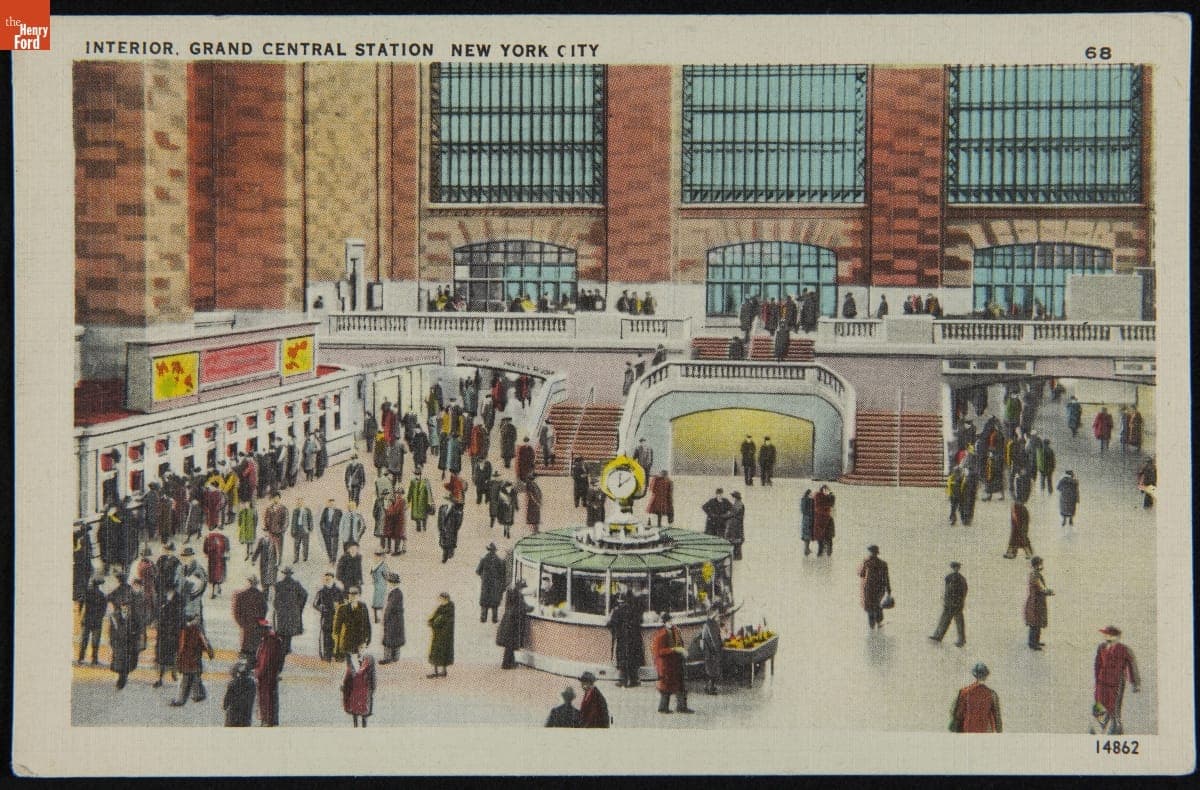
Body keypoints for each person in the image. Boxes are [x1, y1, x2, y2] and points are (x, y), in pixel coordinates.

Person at [1093, 626, 1140, 734]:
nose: (1105, 636)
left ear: (1116, 637)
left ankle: (1116, 728)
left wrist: (1135, 683)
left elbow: (1132, 666)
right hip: (1102, 682)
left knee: (1114, 707)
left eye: (1108, 634)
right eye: (1105, 634)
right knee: (1099, 704)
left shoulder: (1124, 649)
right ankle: (1101, 724)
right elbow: (1097, 664)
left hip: (1116, 682)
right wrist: (1096, 680)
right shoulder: (1101, 647)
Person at [652, 612, 693, 713]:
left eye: (671, 620)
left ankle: (681, 707)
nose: (671, 623)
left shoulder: (675, 631)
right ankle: (663, 708)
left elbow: (680, 644)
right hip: (666, 665)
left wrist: (681, 650)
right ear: (664, 623)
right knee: (666, 688)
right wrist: (674, 649)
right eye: (668, 621)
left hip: (676, 663)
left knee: (680, 685)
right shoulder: (661, 635)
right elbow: (658, 652)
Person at [170, 613, 214, 706]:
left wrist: (177, 658)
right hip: (194, 659)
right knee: (195, 678)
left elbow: (180, 646)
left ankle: (180, 699)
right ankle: (196, 694)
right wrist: (210, 653)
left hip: (186, 660)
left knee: (185, 681)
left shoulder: (184, 630)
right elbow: (204, 643)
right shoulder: (197, 630)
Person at [950, 663, 1002, 733]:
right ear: (986, 676)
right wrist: (999, 732)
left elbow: (958, 715)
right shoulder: (992, 694)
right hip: (986, 733)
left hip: (968, 732)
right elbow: (997, 717)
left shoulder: (964, 692)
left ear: (974, 675)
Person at [254, 618, 285, 726]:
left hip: (266, 676)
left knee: (265, 699)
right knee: (272, 698)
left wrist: (258, 673)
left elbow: (264, 661)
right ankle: (271, 720)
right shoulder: (274, 640)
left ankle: (266, 720)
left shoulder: (268, 642)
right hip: (272, 674)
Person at [929, 561, 967, 647]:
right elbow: (947, 591)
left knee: (958, 622)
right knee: (945, 620)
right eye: (954, 567)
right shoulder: (949, 577)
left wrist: (960, 602)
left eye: (957, 567)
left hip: (956, 604)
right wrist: (946, 600)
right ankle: (938, 636)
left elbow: (964, 592)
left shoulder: (961, 579)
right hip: (949, 603)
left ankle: (961, 640)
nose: (956, 569)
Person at [108, 598, 144, 690]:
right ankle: (121, 679)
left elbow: (140, 630)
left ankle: (122, 680)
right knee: (120, 663)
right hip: (119, 643)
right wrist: (112, 642)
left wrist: (138, 642)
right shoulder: (115, 616)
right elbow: (111, 631)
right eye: (123, 606)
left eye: (127, 607)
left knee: (126, 664)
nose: (125, 608)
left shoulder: (135, 617)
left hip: (130, 644)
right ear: (121, 607)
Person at [273, 567, 307, 656]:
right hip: (292, 611)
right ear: (291, 574)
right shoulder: (296, 584)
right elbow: (304, 594)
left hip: (282, 611)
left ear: (284, 574)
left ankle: (283, 648)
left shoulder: (279, 585)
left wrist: (277, 607)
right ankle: (287, 648)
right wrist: (299, 606)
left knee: (282, 630)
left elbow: (276, 599)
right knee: (289, 632)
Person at [497, 580, 531, 669]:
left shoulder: (511, 592)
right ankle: (507, 664)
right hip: (513, 623)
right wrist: (531, 608)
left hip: (508, 621)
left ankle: (508, 663)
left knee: (509, 646)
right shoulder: (518, 595)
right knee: (511, 645)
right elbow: (524, 607)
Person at [313, 571, 345, 662]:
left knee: (337, 637)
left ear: (333, 579)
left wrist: (338, 608)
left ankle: (338, 656)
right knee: (326, 637)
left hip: (336, 618)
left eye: (329, 578)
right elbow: (315, 604)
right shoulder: (321, 592)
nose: (327, 580)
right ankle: (327, 656)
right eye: (326, 579)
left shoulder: (339, 591)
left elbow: (343, 604)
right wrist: (321, 608)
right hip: (326, 617)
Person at [333, 585, 372, 660]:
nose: (352, 597)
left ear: (359, 595)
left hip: (360, 641)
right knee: (350, 663)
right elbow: (337, 630)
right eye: (350, 595)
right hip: (348, 641)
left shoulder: (363, 607)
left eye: (355, 595)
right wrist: (337, 650)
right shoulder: (342, 609)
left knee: (360, 663)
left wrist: (368, 640)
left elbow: (367, 624)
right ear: (348, 596)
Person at [232, 575, 267, 657]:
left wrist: (240, 621)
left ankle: (244, 654)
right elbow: (264, 609)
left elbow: (237, 610)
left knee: (245, 640)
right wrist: (261, 619)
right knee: (254, 641)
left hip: (245, 622)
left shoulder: (241, 595)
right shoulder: (260, 595)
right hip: (256, 622)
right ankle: (253, 656)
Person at [858, 545, 891, 630]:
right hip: (880, 589)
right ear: (877, 553)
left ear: (870, 552)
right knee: (878, 605)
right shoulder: (883, 564)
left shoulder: (867, 562)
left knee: (870, 608)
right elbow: (886, 578)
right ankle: (879, 623)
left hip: (868, 589)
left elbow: (861, 574)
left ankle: (872, 627)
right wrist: (888, 590)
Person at [342, 646, 377, 728]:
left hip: (362, 686)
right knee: (359, 709)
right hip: (360, 687)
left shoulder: (364, 660)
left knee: (359, 708)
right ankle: (359, 726)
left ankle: (359, 726)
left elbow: (354, 672)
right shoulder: (361, 660)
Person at [1024, 557, 1054, 650]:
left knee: (1038, 623)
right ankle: (1032, 643)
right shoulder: (1035, 576)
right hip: (1035, 603)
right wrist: (1049, 591)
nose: (1042, 566)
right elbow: (1040, 588)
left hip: (1038, 601)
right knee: (1035, 624)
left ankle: (1036, 641)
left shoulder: (1036, 574)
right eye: (1041, 564)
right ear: (1037, 565)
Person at [77, 577, 107, 665]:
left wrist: (80, 614)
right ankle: (94, 659)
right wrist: (100, 616)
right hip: (97, 620)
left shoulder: (87, 592)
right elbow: (104, 609)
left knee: (84, 640)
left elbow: (80, 603)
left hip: (86, 619)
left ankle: (81, 658)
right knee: (95, 641)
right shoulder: (101, 595)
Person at [427, 592, 455, 678]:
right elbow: (434, 618)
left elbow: (444, 621)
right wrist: (431, 622)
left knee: (442, 653)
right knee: (436, 653)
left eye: (441, 599)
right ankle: (437, 671)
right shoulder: (441, 607)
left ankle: (442, 671)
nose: (439, 600)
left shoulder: (449, 609)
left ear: (445, 599)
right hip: (438, 634)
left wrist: (435, 624)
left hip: (444, 636)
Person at [476, 543, 506, 623]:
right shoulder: (499, 561)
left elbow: (477, 571)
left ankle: (483, 618)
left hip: (486, 584)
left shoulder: (484, 559)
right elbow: (502, 574)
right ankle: (494, 619)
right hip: (495, 585)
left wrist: (483, 576)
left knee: (485, 601)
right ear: (495, 551)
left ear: (488, 550)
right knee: (494, 602)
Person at [380, 573, 406, 664]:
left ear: (393, 583)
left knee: (389, 638)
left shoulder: (395, 593)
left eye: (389, 582)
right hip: (397, 620)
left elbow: (389, 608)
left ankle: (387, 658)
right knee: (396, 638)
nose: (388, 584)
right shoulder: (397, 592)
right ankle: (395, 657)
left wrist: (384, 619)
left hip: (393, 620)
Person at [699, 602, 724, 695]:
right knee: (711, 669)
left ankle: (709, 687)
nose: (718, 615)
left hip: (709, 649)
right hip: (710, 650)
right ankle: (710, 688)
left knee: (710, 668)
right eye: (717, 613)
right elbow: (713, 639)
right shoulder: (710, 624)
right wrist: (717, 648)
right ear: (714, 612)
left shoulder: (709, 623)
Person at [223, 662, 256, 727]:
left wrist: (225, 706)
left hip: (232, 716)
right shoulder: (252, 684)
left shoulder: (232, 683)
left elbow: (227, 699)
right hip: (246, 715)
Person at [250, 533, 280, 603]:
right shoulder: (262, 540)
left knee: (272, 581)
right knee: (264, 581)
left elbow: (278, 552)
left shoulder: (276, 540)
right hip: (264, 564)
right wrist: (253, 559)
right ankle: (265, 597)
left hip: (272, 564)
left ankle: (273, 597)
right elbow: (257, 550)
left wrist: (278, 562)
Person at [202, 524, 229, 598]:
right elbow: (227, 549)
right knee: (218, 575)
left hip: (213, 560)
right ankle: (217, 588)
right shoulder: (224, 537)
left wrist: (207, 553)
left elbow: (205, 549)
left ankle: (214, 592)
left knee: (214, 576)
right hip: (220, 559)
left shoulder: (208, 537)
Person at [813, 485, 836, 556]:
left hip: (827, 520)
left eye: (827, 490)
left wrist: (831, 497)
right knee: (821, 537)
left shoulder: (827, 498)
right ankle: (821, 551)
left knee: (828, 536)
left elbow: (831, 505)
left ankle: (828, 550)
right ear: (822, 490)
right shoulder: (819, 497)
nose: (826, 492)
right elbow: (820, 508)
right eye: (825, 490)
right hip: (820, 520)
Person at [318, 499, 342, 564]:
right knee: (328, 546)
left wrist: (338, 529)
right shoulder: (325, 510)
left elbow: (342, 522)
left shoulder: (339, 511)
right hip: (326, 532)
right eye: (330, 504)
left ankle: (334, 560)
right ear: (328, 504)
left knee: (334, 546)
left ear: (335, 504)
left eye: (333, 504)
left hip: (335, 532)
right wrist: (323, 530)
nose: (332, 505)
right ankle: (330, 558)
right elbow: (321, 522)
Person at [290, 497, 313, 563]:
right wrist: (292, 531)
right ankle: (296, 558)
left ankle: (305, 558)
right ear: (297, 503)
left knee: (305, 544)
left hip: (305, 529)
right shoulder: (295, 510)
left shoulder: (307, 510)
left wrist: (310, 528)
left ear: (303, 502)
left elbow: (310, 520)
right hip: (297, 529)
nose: (300, 503)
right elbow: (293, 521)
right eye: (299, 502)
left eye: (301, 502)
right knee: (296, 545)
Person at [725, 491, 745, 560]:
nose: (732, 498)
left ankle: (737, 558)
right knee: (737, 541)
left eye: (732, 496)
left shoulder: (738, 504)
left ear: (735, 497)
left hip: (736, 526)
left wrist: (722, 516)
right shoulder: (738, 503)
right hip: (737, 525)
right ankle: (737, 557)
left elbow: (732, 514)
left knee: (736, 541)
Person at [799, 489, 814, 555]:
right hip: (807, 520)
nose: (812, 495)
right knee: (807, 535)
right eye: (811, 494)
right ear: (808, 494)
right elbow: (804, 510)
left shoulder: (808, 500)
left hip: (807, 519)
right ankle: (806, 549)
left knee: (807, 535)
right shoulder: (806, 500)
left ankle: (807, 548)